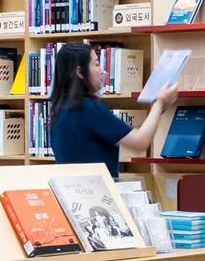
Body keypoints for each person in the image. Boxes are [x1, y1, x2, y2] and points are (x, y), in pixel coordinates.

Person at [44, 40, 175, 176]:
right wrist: (159, 103)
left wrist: (159, 107)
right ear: (80, 72)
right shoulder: (88, 108)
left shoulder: (60, 108)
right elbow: (140, 142)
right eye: (96, 64)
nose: (102, 71)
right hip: (99, 193)